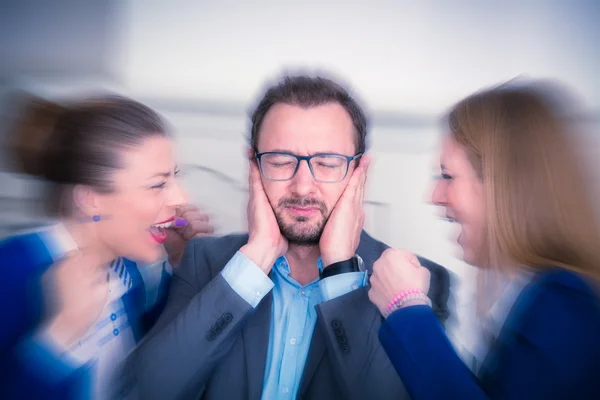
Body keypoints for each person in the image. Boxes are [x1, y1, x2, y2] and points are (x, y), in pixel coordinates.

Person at [117, 74, 451, 400]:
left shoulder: (419, 282)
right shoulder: (204, 260)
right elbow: (145, 390)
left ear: (360, 171)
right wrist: (258, 254)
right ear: (254, 165)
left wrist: (341, 270)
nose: (303, 186)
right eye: (279, 161)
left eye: (328, 163)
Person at [368, 80, 600, 399]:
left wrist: (404, 305)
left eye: (447, 176)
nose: (433, 196)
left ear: (504, 185)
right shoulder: (538, 297)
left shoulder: (567, 307)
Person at [0, 95, 213, 400]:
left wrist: (177, 264)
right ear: (90, 200)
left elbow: (135, 346)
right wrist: (59, 337)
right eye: (157, 184)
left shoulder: (126, 266)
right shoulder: (9, 271)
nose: (180, 198)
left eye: (174, 178)